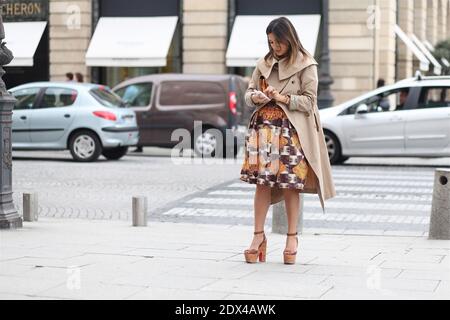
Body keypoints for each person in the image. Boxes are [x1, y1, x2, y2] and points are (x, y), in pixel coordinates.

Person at [240, 17, 336, 265]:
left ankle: (292, 238)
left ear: (289, 39)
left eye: (279, 42)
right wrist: (257, 97)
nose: (275, 47)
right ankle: (257, 237)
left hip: (292, 133)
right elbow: (248, 93)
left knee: (290, 184)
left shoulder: (306, 64)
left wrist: (281, 98)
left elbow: (309, 102)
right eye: (271, 42)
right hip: (264, 132)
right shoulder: (264, 63)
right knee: (262, 183)